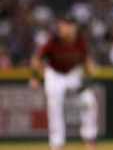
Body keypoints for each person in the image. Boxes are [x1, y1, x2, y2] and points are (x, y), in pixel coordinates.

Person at [30, 14, 98, 150]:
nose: (63, 28)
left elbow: (87, 61)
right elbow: (37, 59)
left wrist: (90, 71)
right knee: (54, 105)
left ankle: (89, 140)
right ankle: (56, 144)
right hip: (54, 74)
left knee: (89, 101)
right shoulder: (53, 40)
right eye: (62, 25)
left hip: (73, 74)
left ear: (74, 27)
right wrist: (35, 77)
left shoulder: (80, 41)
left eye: (67, 25)